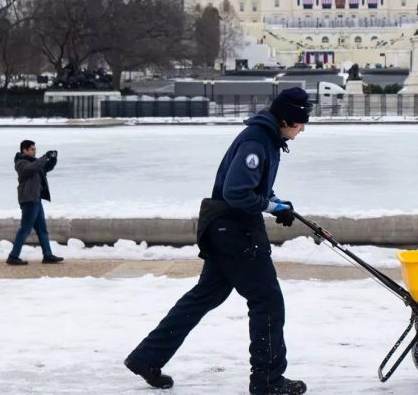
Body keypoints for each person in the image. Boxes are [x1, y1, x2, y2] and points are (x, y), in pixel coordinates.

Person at [125, 88, 312, 395]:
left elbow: (251, 187)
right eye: (301, 122)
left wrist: (277, 202)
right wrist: (270, 206)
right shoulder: (257, 141)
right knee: (267, 300)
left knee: (204, 296)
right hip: (235, 229)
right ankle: (267, 380)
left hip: (224, 227)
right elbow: (236, 192)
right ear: (286, 119)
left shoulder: (266, 138)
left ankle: (147, 358)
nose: (303, 128)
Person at [7, 140, 63, 266]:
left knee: (42, 230)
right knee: (25, 229)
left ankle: (48, 255)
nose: (34, 151)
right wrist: (45, 157)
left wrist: (53, 159)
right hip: (28, 200)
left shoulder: (34, 162)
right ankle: (13, 256)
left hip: (36, 199)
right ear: (24, 150)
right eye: (32, 149)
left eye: (35, 149)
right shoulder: (21, 163)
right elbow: (32, 169)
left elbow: (44, 168)